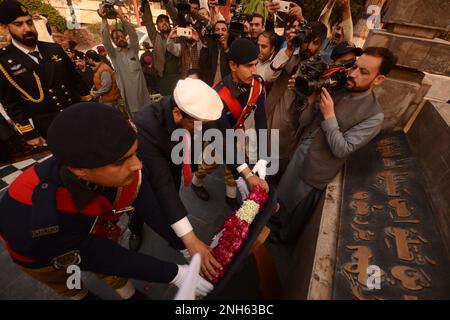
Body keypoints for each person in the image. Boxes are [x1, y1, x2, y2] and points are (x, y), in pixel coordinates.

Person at [0, 102, 214, 300]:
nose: (138, 165)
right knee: (73, 285)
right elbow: (104, 256)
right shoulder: (48, 223)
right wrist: (175, 274)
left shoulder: (105, 163)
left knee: (115, 276)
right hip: (39, 253)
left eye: (135, 153)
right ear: (81, 171)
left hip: (92, 230)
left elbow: (151, 207)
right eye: (123, 160)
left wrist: (185, 246)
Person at [270, 47, 397, 244]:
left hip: (316, 171)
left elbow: (342, 149)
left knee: (293, 214)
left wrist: (329, 115)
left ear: (379, 79)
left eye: (364, 72)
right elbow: (304, 122)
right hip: (299, 155)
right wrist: (311, 100)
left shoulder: (374, 116)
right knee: (282, 198)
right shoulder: (338, 88)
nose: (353, 74)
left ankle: (280, 239)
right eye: (355, 67)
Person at [134, 78, 225, 280]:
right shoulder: (146, 126)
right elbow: (161, 184)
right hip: (146, 173)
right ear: (177, 113)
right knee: (146, 206)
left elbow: (221, 137)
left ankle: (173, 232)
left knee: (172, 198)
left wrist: (245, 172)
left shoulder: (189, 110)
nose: (200, 128)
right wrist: (191, 241)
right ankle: (135, 230)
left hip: (173, 162)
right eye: (196, 124)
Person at [0, 0, 91, 147]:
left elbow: (77, 81)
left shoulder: (53, 49)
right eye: (19, 24)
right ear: (5, 28)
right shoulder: (4, 62)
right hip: (48, 126)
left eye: (29, 23)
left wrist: (92, 106)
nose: (27, 28)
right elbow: (11, 103)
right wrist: (29, 133)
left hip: (77, 115)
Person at [192, 38, 269, 209]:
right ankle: (196, 183)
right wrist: (245, 174)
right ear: (233, 65)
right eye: (249, 66)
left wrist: (263, 158)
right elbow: (224, 138)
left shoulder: (257, 85)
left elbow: (261, 121)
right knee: (208, 164)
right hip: (216, 134)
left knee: (232, 168)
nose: (254, 70)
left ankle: (230, 198)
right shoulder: (217, 95)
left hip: (235, 132)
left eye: (256, 64)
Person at [264, 20, 328, 174]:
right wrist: (288, 51)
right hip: (267, 113)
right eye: (309, 42)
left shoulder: (318, 66)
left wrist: (302, 90)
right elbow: (268, 76)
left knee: (273, 166)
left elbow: (311, 104)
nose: (311, 48)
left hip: (288, 126)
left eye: (316, 44)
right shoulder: (288, 51)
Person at [99, 4, 150, 117]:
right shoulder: (114, 54)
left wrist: (121, 17)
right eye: (117, 38)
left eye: (122, 36)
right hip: (131, 101)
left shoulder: (134, 50)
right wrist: (104, 19)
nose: (120, 38)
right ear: (114, 41)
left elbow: (133, 35)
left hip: (144, 98)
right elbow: (105, 39)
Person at [141, 0, 180, 95]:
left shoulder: (177, 35)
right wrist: (145, 3)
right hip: (163, 77)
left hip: (179, 76)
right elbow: (148, 21)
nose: (164, 23)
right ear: (157, 27)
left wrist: (166, 2)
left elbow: (175, 18)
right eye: (161, 22)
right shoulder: (155, 37)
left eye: (166, 21)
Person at [199, 20, 231, 85]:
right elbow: (202, 64)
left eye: (223, 30)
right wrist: (205, 42)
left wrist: (225, 47)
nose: (220, 32)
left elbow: (232, 66)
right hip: (210, 86)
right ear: (214, 32)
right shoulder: (209, 46)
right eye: (217, 30)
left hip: (225, 86)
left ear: (227, 33)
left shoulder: (231, 47)